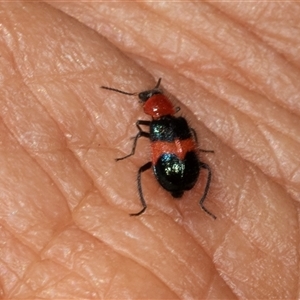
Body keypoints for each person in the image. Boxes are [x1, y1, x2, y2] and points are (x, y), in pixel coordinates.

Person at [0, 2, 299, 298]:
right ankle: (191, 201)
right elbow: (190, 135)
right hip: (184, 171)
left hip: (172, 172)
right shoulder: (179, 122)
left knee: (153, 168)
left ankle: (152, 203)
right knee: (202, 168)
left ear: (149, 108)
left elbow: (162, 138)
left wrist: (134, 151)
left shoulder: (153, 128)